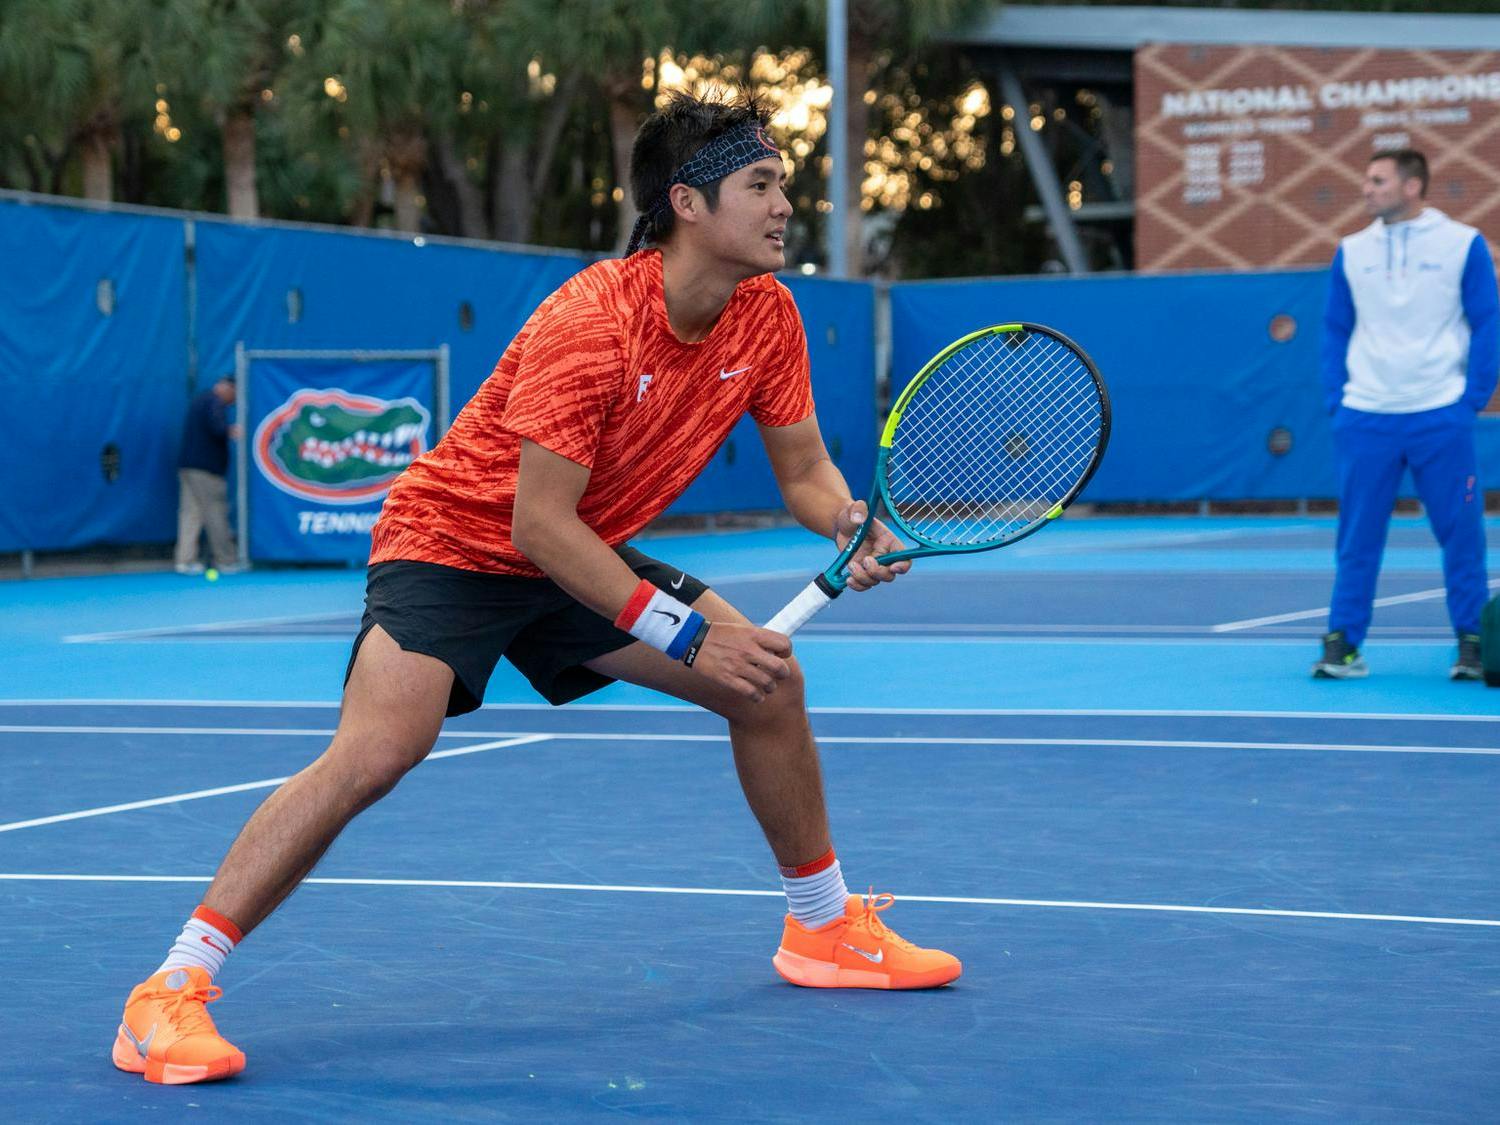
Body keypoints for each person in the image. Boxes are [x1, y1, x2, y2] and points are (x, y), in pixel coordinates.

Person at [112, 90, 960, 1087]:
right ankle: (167, 992)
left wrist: (853, 525)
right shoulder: (594, 318)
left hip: (578, 549)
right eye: (761, 186)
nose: (785, 207)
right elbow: (535, 524)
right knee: (376, 754)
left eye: (783, 185)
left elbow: (808, 473)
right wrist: (690, 639)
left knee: (767, 686)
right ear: (687, 205)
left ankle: (822, 933)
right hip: (455, 544)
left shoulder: (768, 316)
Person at [1314, 148, 1497, 682]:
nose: (1366, 189)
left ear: (1413, 185)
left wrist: (1471, 400)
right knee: (1357, 537)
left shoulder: (1462, 244)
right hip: (1366, 417)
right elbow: (1333, 329)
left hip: (1441, 415)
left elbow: (1487, 321)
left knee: (1462, 534)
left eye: (1377, 180)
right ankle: (1342, 643)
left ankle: (1471, 642)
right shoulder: (1350, 251)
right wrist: (1337, 399)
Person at [174, 374, 242, 575]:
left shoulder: (201, 399)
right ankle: (226, 560)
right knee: (215, 513)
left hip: (188, 467)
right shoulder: (214, 402)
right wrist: (232, 430)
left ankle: (184, 561)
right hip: (205, 470)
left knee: (191, 514)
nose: (234, 401)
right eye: (235, 395)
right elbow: (218, 428)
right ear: (227, 388)